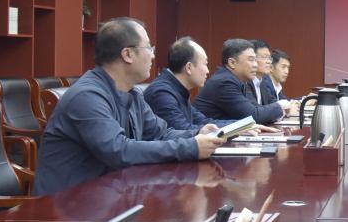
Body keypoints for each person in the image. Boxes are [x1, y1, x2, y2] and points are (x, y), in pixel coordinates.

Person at [35, 18, 222, 195]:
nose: (153, 55)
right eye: (149, 48)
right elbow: (118, 150)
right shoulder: (87, 96)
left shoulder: (131, 93)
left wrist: (198, 134)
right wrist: (190, 147)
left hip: (110, 195)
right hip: (67, 204)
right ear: (127, 54)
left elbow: (161, 133)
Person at [143, 37, 278, 134]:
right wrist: (236, 128)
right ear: (189, 67)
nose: (208, 71)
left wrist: (242, 127)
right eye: (205, 64)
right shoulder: (162, 93)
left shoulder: (178, 89)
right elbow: (182, 130)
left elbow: (203, 121)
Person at [194, 39, 293, 124]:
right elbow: (254, 116)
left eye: (255, 60)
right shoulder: (224, 82)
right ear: (232, 63)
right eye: (251, 60)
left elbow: (256, 109)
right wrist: (280, 106)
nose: (255, 65)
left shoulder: (238, 80)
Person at [249, 39, 279, 105]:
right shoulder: (245, 82)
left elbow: (273, 103)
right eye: (264, 57)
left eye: (269, 58)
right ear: (252, 58)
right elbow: (254, 109)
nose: (269, 62)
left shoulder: (262, 82)